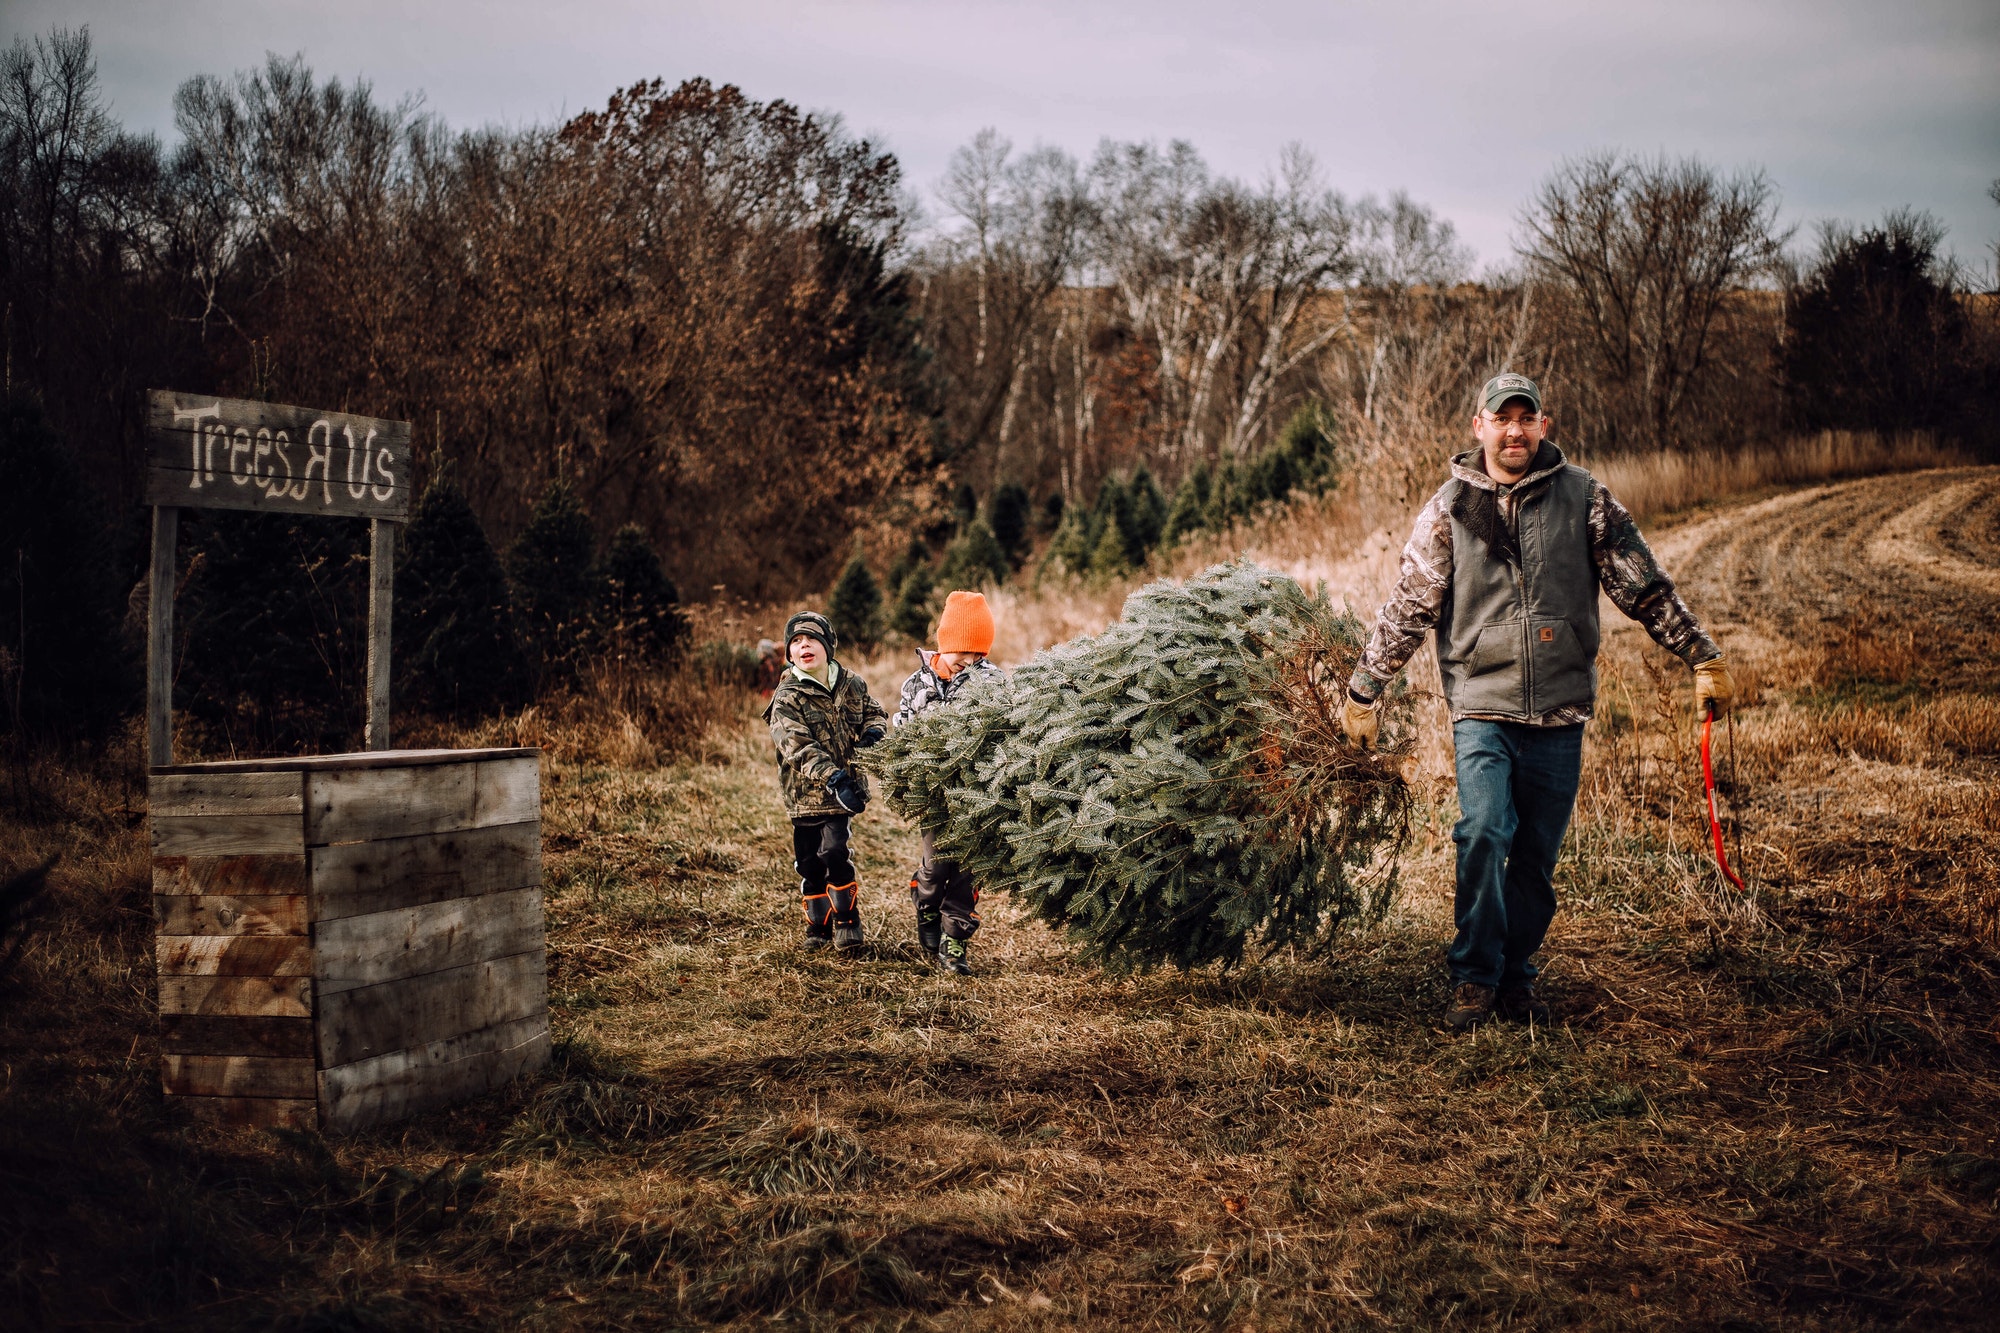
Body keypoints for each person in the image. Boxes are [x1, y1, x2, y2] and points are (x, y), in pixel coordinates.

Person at [1342, 373, 1734, 1032]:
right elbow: (1410, 604)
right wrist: (1363, 688)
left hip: (1559, 712)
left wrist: (1701, 654)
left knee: (1534, 861)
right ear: (1479, 426)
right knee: (1485, 831)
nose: (1514, 430)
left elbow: (1642, 585)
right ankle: (1474, 976)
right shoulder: (1450, 509)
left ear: (1543, 426)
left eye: (1526, 418)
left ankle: (1516, 975)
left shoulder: (1584, 497)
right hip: (1482, 708)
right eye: (1503, 418)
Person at [892, 591, 1004, 975]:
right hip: (934, 794)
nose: (970, 662)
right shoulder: (916, 684)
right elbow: (902, 729)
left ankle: (954, 939)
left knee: (967, 869)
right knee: (936, 866)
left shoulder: (992, 682)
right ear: (945, 644)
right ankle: (925, 904)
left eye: (979, 655)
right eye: (963, 653)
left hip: (975, 794)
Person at [765, 611, 888, 952]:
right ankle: (817, 925)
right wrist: (831, 776)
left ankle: (848, 919)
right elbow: (797, 745)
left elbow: (873, 711)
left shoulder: (851, 683)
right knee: (809, 861)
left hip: (842, 793)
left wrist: (873, 732)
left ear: (828, 647)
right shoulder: (787, 697)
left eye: (812, 640)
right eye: (796, 642)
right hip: (805, 795)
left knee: (834, 851)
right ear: (789, 654)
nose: (804, 646)